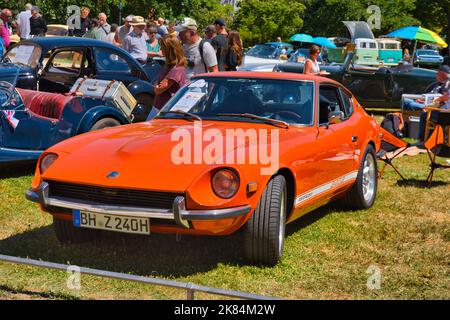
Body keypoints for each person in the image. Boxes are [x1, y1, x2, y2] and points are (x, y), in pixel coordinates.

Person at [146, 34, 187, 120]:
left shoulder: (176, 69)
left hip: (166, 111)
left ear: (170, 50)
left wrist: (157, 87)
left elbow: (159, 89)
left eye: (162, 48)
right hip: (160, 107)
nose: (160, 50)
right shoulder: (170, 66)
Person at [417, 65, 450, 141]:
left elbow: (446, 98)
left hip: (444, 114)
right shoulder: (443, 83)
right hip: (443, 112)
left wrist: (435, 101)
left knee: (424, 115)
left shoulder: (447, 84)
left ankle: (422, 140)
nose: (436, 75)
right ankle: (430, 138)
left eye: (438, 73)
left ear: (442, 73)